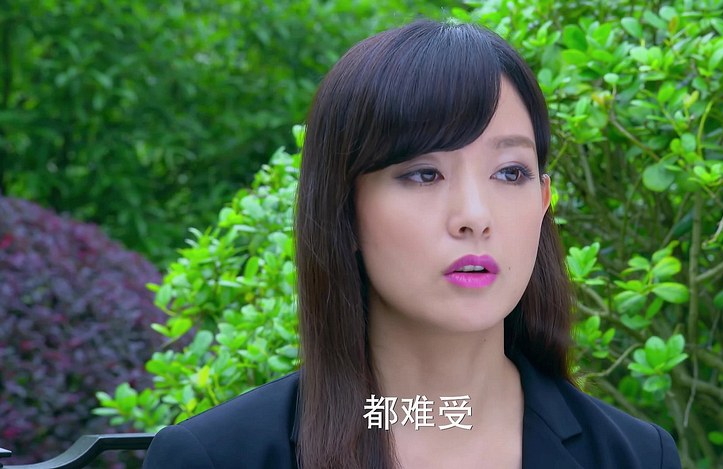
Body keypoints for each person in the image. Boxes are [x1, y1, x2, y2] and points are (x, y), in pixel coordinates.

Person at [142, 19, 682, 469]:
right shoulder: (218, 457)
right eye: (424, 174)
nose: (474, 217)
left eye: (509, 172)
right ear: (344, 210)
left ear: (544, 202)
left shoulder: (634, 456)